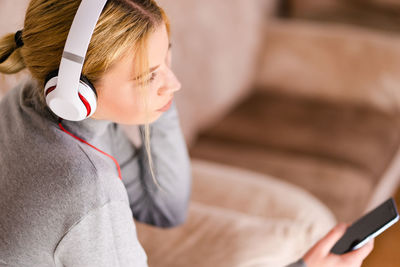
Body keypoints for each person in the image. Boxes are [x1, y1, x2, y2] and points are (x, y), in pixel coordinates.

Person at [0, 0, 374, 266]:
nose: (175, 84)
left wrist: (155, 95)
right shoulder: (86, 188)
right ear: (76, 94)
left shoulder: (25, 105)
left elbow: (165, 209)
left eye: (168, 58)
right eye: (148, 76)